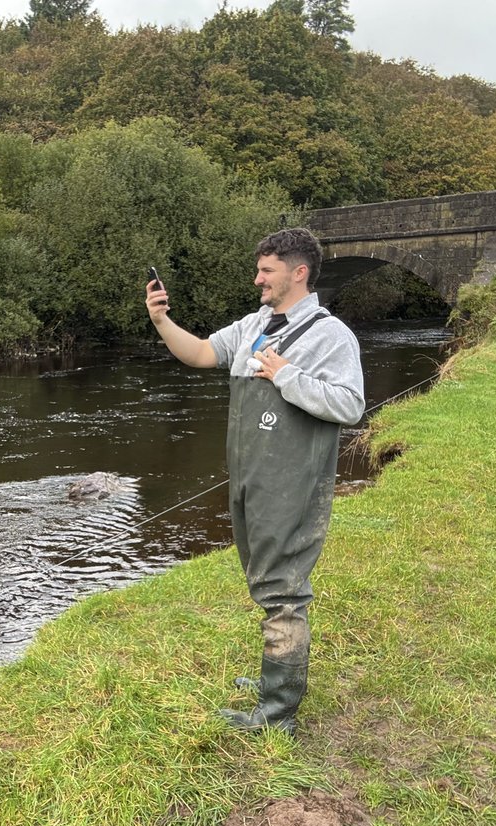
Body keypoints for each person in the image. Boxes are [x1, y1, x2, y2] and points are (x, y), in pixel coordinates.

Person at [145, 228, 364, 736]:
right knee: (263, 582)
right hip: (250, 480)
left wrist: (287, 375)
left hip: (292, 485)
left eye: (267, 270)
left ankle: (278, 712)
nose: (258, 279)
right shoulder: (255, 324)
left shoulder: (331, 336)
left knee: (284, 590)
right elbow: (200, 354)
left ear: (298, 272)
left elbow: (351, 405)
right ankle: (273, 679)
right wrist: (161, 319)